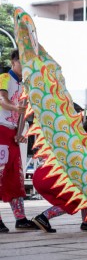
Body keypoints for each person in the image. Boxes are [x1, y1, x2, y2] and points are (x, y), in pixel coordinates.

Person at [31, 118, 87, 233]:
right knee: (77, 199)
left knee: (86, 192)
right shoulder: (85, 145)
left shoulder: (75, 139)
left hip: (42, 175)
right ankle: (43, 217)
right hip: (50, 175)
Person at [0, 49, 37, 232]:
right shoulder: (4, 77)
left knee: (16, 175)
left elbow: (23, 111)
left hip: (12, 133)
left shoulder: (24, 86)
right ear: (13, 61)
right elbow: (2, 100)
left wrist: (20, 131)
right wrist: (16, 108)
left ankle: (20, 219)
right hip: (0, 130)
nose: (25, 65)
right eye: (22, 61)